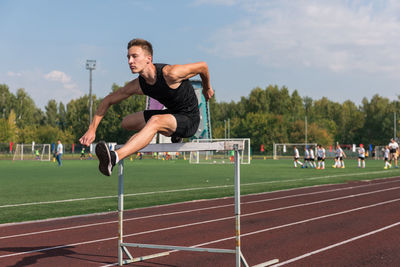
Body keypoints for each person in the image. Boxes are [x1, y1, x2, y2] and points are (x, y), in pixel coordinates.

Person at [79, 38, 214, 176]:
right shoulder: (139, 85)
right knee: (127, 122)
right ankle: (173, 132)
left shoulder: (171, 73)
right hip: (171, 114)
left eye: (134, 56)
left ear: (148, 59)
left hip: (189, 119)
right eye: (128, 57)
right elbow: (108, 100)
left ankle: (114, 158)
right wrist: (92, 129)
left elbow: (203, 66)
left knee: (155, 121)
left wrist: (206, 88)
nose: (130, 61)